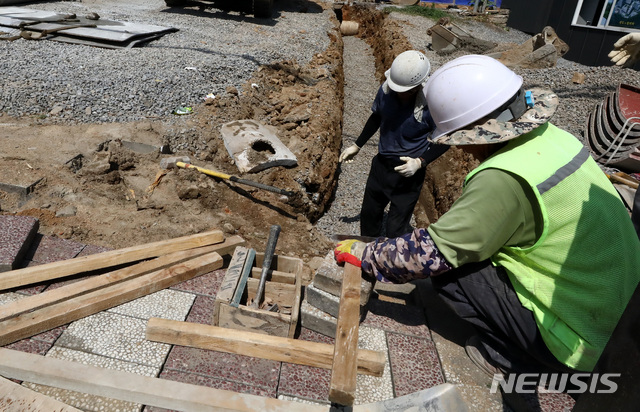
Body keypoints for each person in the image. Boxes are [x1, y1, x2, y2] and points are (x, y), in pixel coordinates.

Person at [335, 55, 640, 382]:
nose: (463, 151)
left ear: (476, 130)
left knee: (453, 270)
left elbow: (432, 252)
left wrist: (366, 254)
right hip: (623, 309)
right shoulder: (557, 139)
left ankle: (515, 358)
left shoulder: (502, 178)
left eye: (460, 139)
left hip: (581, 341)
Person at [339, 50, 448, 238]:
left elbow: (447, 138)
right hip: (381, 167)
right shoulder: (387, 89)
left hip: (408, 174)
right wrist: (357, 145)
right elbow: (377, 116)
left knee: (394, 231)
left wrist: (420, 162)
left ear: (417, 87)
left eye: (403, 91)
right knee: (369, 218)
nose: (398, 94)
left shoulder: (432, 104)